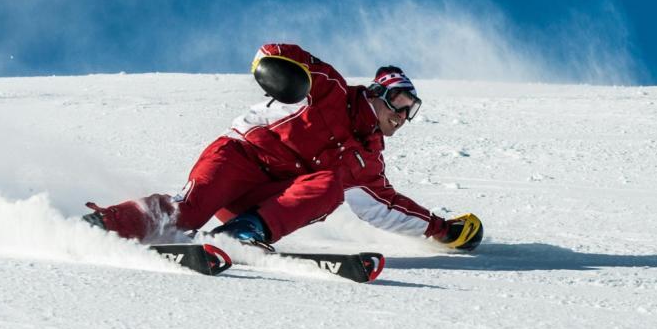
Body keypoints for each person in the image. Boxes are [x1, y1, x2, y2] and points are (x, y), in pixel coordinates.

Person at [84, 43, 483, 251]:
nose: (402, 116)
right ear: (379, 94)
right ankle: (109, 225)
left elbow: (385, 208)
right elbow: (277, 52)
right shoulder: (330, 90)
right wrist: (279, 74)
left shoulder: (367, 159)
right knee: (187, 211)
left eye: (410, 111)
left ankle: (243, 233)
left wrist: (441, 229)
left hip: (264, 201)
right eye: (400, 103)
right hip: (239, 158)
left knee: (330, 186)